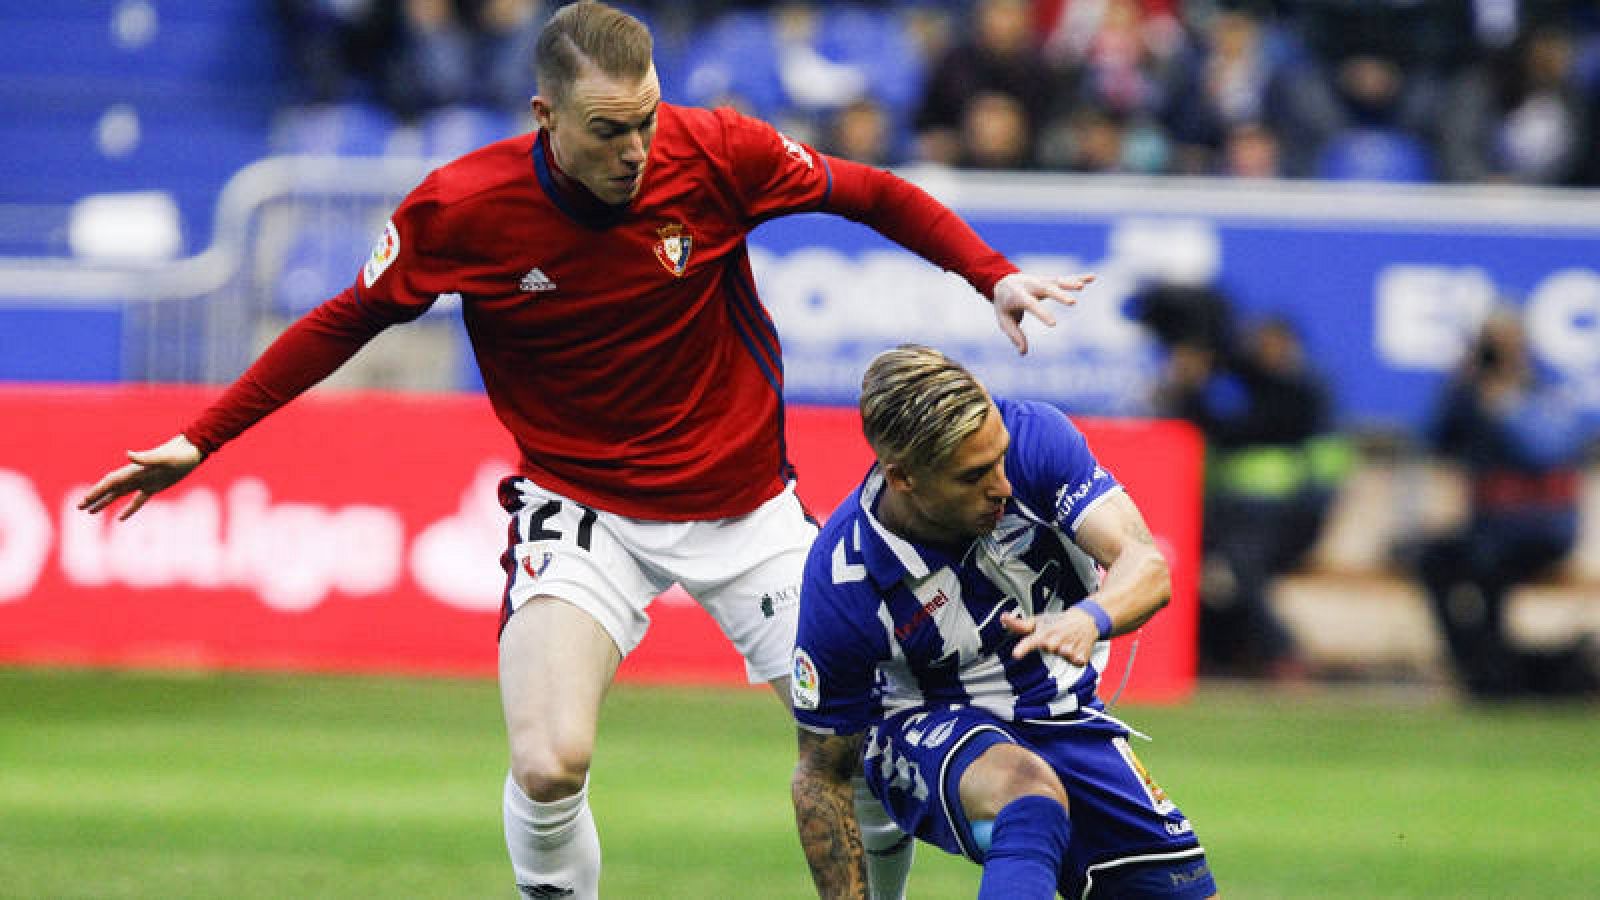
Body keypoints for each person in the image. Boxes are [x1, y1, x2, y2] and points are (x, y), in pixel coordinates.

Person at [76, 3, 1095, 897]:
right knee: (550, 761)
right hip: (583, 514)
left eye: (647, 120)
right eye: (611, 130)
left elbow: (871, 192)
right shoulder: (463, 209)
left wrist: (989, 274)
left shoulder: (715, 153)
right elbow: (345, 320)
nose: (638, 148)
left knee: (869, 749)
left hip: (748, 513)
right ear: (545, 119)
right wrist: (200, 438)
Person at [790, 344, 1215, 899]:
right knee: (1028, 793)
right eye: (974, 476)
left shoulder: (1037, 439)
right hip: (920, 721)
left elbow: (1147, 567)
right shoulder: (845, 576)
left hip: (1064, 714)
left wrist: (1090, 619)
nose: (1004, 485)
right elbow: (821, 774)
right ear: (904, 479)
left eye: (1000, 458)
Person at [1412, 310, 1598, 699]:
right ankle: (1482, 670)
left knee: (1487, 571)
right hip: (1489, 531)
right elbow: (1436, 442)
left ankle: (1499, 675)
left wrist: (1507, 405)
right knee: (1431, 559)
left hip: (1540, 530)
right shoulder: (1471, 395)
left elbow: (1545, 451)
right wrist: (1458, 389)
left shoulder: (1542, 395)